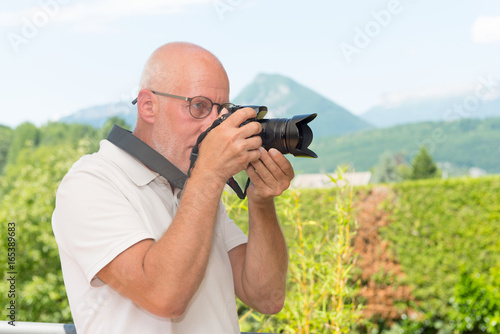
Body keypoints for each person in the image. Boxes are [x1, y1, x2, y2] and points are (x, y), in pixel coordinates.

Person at [52, 41, 293, 333]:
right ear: (148, 106)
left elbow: (267, 298)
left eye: (222, 112)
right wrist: (210, 174)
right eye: (199, 107)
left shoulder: (195, 190)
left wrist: (260, 200)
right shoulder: (90, 183)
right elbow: (164, 297)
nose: (213, 127)